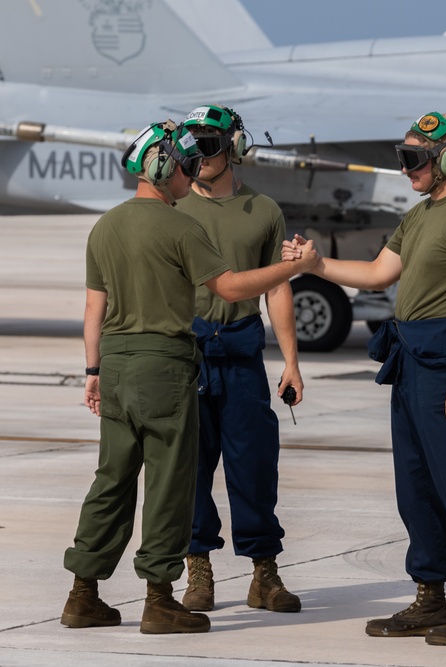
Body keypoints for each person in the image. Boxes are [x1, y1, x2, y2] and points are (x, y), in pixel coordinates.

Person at [61, 120, 319, 634]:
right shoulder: (180, 225)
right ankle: (161, 598)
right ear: (162, 169)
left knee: (112, 481)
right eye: (183, 163)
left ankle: (83, 594)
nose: (191, 169)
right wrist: (297, 268)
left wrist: (92, 369)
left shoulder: (104, 225)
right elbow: (230, 287)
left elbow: (95, 305)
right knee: (172, 483)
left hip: (116, 365)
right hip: (167, 363)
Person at [286, 111, 446, 646]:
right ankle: (430, 597)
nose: (405, 169)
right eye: (402, 158)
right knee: (415, 488)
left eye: (413, 159)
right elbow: (376, 274)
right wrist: (316, 266)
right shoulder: (418, 215)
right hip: (410, 360)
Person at [173, 104, 302, 614]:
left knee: (255, 467)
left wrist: (290, 360)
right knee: (188, 469)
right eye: (191, 144)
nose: (197, 155)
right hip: (187, 353)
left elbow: (277, 289)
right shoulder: (173, 208)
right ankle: (197, 569)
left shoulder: (265, 211)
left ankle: (263, 573)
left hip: (243, 351)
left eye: (209, 144)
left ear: (235, 148)